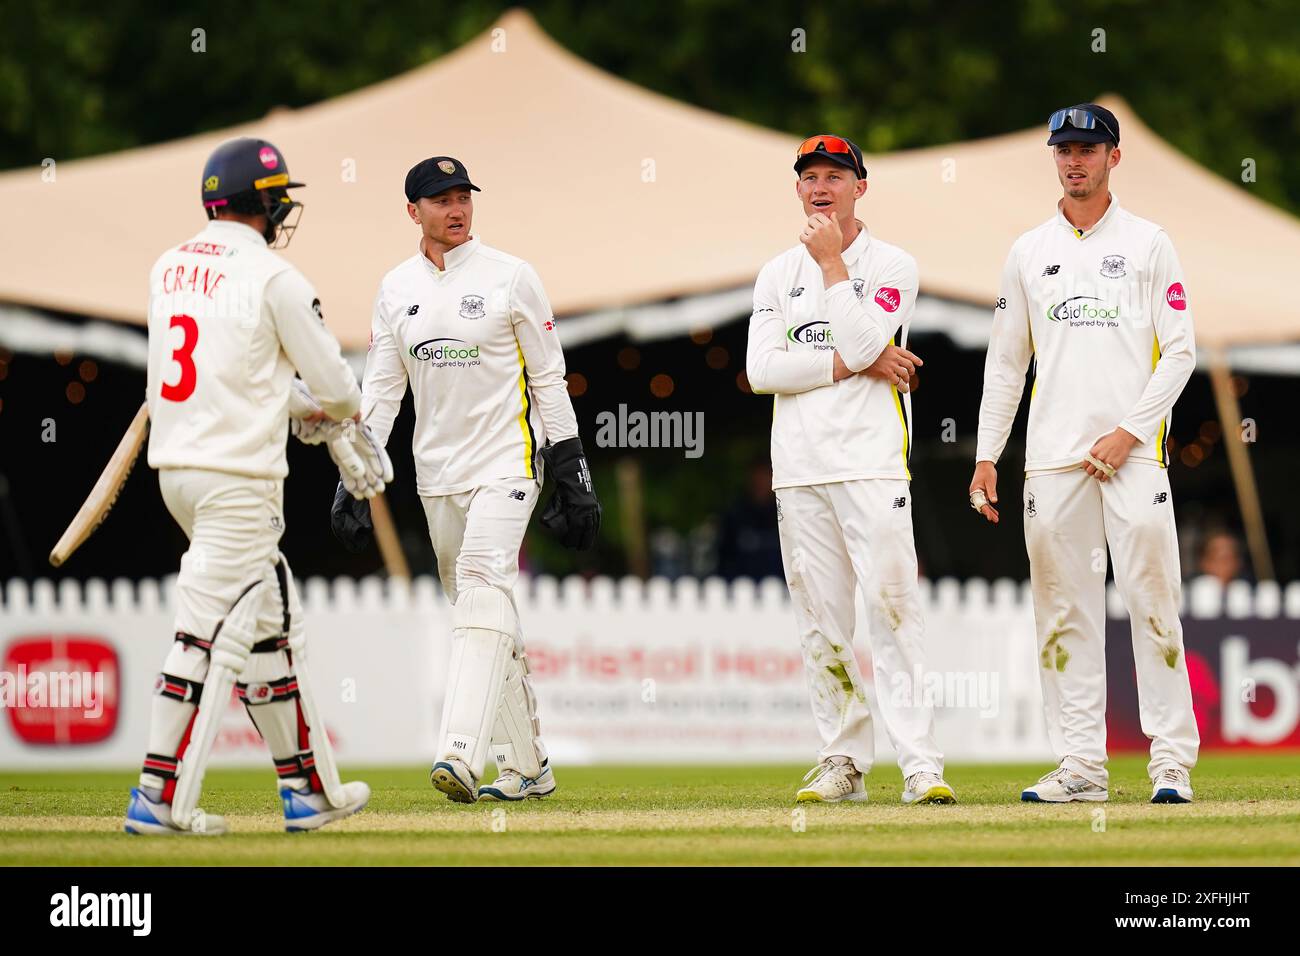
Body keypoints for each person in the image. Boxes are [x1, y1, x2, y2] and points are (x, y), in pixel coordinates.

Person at [127, 137, 391, 835]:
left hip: (178, 472)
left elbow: (228, 373)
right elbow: (339, 388)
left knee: (272, 632)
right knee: (206, 633)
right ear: (265, 204)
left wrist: (286, 400)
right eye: (279, 200)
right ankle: (157, 798)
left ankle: (306, 791)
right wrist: (320, 410)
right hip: (238, 479)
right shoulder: (275, 278)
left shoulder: (169, 267)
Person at [331, 156, 600, 803]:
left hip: (507, 464)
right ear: (412, 211)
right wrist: (352, 475)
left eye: (463, 197)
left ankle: (459, 749)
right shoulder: (396, 289)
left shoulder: (512, 277)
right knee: (484, 614)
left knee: (482, 585)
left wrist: (571, 471)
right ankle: (530, 767)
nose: (456, 208)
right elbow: (383, 394)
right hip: (436, 479)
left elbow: (548, 380)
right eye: (440, 199)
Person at [970, 104, 1199, 804]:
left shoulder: (1150, 243)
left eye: (1088, 149)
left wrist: (1129, 432)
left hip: (1131, 459)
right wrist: (986, 456)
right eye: (1064, 149)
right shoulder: (1027, 251)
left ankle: (1169, 763)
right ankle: (1080, 767)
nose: (1075, 161)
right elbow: (1007, 365)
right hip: (1053, 463)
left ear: (1113, 157)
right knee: (1063, 612)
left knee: (1153, 603)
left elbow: (1181, 351)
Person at [745, 134, 954, 805]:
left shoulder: (893, 264)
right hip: (801, 472)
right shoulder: (776, 274)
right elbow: (760, 372)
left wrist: (834, 268)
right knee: (822, 624)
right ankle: (843, 763)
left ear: (860, 186)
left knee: (894, 613)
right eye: (809, 176)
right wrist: (848, 365)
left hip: (872, 467)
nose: (821, 187)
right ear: (798, 189)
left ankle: (920, 764)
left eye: (835, 174)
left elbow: (869, 339)